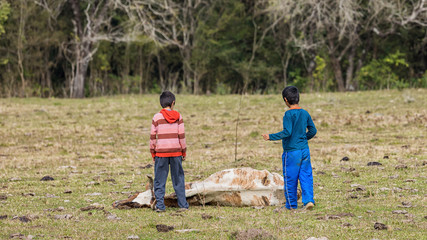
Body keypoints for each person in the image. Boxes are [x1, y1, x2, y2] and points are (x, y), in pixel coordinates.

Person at [262, 86, 317, 210]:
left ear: (285, 100)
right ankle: (308, 200)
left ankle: (291, 205)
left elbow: (287, 132)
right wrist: (303, 138)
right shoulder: (305, 113)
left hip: (291, 152)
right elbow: (313, 130)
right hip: (304, 150)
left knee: (290, 178)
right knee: (306, 175)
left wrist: (270, 136)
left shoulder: (288, 114)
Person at [150, 91, 189, 212]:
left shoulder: (156, 117)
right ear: (173, 103)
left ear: (161, 103)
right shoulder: (179, 117)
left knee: (159, 180)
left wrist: (153, 152)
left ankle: (160, 206)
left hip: (161, 153)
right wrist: (183, 151)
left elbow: (152, 137)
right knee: (178, 179)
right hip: (176, 152)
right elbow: (181, 136)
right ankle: (183, 205)